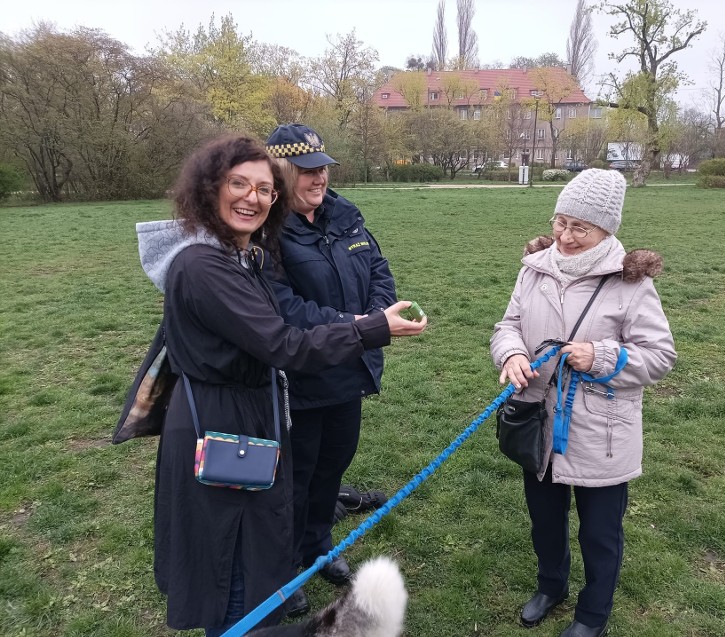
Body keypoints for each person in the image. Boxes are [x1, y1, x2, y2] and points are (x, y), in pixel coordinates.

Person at [135, 135, 426, 636]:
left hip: (243, 414)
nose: (253, 197)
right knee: (234, 556)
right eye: (238, 184)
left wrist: (369, 318)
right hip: (222, 421)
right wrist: (372, 326)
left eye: (263, 189)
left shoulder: (235, 252)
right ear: (209, 189)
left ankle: (282, 589)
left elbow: (367, 273)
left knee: (251, 544)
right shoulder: (204, 265)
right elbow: (284, 342)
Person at [490, 169, 676, 637]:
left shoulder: (630, 283)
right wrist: (511, 353)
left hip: (602, 433)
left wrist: (601, 356)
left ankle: (592, 615)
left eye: (580, 228)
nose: (566, 237)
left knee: (600, 535)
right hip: (538, 423)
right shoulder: (534, 269)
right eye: (561, 222)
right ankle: (550, 586)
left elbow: (659, 357)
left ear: (605, 231)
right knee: (545, 523)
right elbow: (508, 324)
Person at [262, 123, 402, 616]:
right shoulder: (269, 231)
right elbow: (285, 309)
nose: (319, 177)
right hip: (302, 377)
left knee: (332, 466)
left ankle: (318, 546)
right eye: (307, 171)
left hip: (350, 369)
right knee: (294, 479)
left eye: (322, 167)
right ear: (282, 175)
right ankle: (286, 569)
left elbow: (379, 270)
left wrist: (377, 317)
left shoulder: (345, 214)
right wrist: (359, 324)